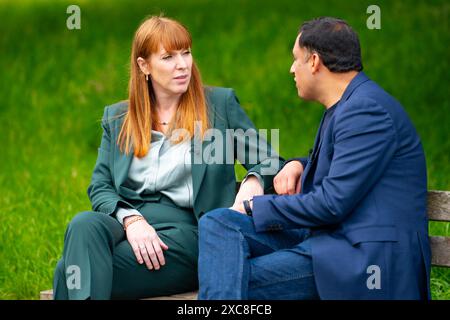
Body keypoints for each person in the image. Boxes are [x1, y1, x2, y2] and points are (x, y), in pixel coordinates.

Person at [198, 17, 431, 300]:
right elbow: (346, 165)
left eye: (296, 59)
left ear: (315, 62)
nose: (292, 69)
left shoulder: (367, 112)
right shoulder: (346, 105)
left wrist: (254, 207)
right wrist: (299, 163)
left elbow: (332, 203)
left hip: (360, 255)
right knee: (219, 223)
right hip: (328, 239)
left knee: (229, 277)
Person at [53, 15, 281, 300]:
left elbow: (271, 162)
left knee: (68, 271)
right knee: (83, 224)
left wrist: (251, 183)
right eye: (168, 57)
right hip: (128, 224)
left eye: (186, 53)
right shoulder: (118, 118)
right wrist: (132, 221)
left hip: (189, 233)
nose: (183, 64)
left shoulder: (218, 106)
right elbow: (100, 187)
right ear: (144, 66)